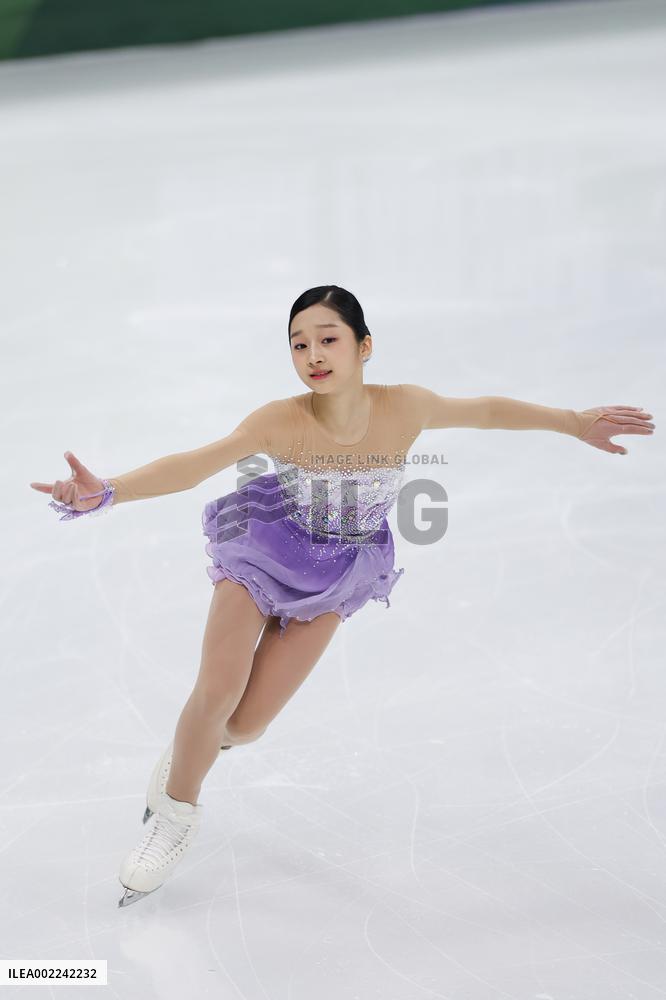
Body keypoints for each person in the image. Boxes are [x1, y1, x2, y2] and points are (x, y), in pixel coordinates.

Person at [29, 285, 655, 908]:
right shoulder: (279, 419)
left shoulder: (406, 407)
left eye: (329, 339)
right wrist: (107, 490)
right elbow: (197, 463)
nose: (314, 355)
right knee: (217, 690)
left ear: (364, 346)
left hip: (338, 569)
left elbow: (487, 410)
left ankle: (190, 747)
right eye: (299, 344)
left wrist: (574, 422)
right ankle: (174, 815)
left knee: (244, 724)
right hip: (263, 549)